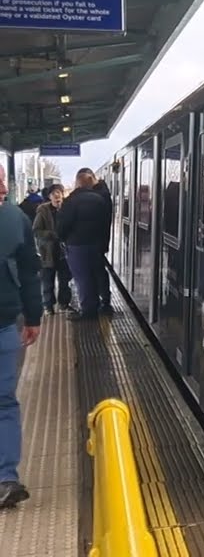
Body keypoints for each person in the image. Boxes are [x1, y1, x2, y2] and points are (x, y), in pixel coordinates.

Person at [0, 164, 45, 508]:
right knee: (3, 403)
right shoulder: (15, 218)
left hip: (5, 325)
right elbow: (29, 270)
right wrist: (33, 315)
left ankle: (6, 478)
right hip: (4, 324)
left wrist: (33, 315)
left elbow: (30, 270)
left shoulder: (15, 218)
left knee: (4, 401)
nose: (3, 186)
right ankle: (5, 477)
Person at [56, 171, 109, 321]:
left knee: (82, 278)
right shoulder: (99, 199)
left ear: (78, 182)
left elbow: (63, 225)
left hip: (76, 245)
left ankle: (88, 311)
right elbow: (105, 223)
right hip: (96, 244)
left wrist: (62, 238)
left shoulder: (71, 200)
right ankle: (98, 304)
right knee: (93, 275)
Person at [32, 184, 76, 319]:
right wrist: (52, 235)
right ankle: (48, 305)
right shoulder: (43, 210)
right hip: (48, 251)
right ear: (49, 196)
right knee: (47, 280)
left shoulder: (67, 209)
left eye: (59, 193)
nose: (57, 195)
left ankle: (64, 303)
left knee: (64, 279)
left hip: (64, 252)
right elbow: (36, 231)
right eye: (54, 193)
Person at [84, 169, 114, 314]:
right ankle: (103, 300)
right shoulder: (103, 192)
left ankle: (104, 302)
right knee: (99, 270)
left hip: (96, 240)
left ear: (89, 179)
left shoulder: (99, 195)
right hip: (99, 239)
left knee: (98, 271)